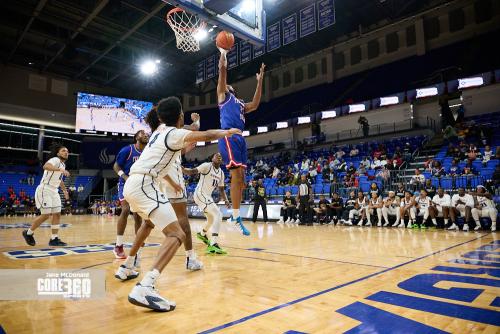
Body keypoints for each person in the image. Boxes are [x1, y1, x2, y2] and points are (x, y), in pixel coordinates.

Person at [114, 96, 241, 311]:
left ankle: (128, 265)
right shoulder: (173, 133)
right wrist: (227, 132)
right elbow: (204, 135)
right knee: (177, 234)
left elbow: (187, 132)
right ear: (180, 115)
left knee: (148, 224)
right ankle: (146, 285)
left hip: (135, 184)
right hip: (145, 185)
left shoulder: (158, 132)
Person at [145, 106, 203, 270]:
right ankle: (191, 258)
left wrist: (186, 148)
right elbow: (194, 129)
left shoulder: (156, 134)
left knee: (148, 222)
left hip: (156, 179)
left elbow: (175, 151)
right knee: (182, 218)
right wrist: (196, 119)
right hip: (172, 176)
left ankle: (132, 259)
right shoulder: (171, 128)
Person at [217, 47, 265, 236]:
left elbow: (256, 104)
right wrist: (223, 53)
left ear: (233, 90)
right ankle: (235, 217)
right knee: (236, 177)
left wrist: (260, 82)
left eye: (228, 86)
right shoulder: (223, 98)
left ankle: (233, 216)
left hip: (240, 139)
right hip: (229, 136)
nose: (225, 86)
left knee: (242, 180)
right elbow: (222, 73)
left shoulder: (240, 104)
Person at [22, 143, 70, 247]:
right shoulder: (55, 160)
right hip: (45, 189)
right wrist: (60, 170)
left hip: (54, 191)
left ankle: (54, 239)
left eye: (67, 151)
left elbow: (59, 180)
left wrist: (65, 191)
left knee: (57, 214)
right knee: (46, 215)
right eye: (63, 151)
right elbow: (45, 166)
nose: (66, 152)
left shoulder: (63, 165)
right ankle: (28, 233)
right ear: (58, 153)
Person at [183, 153, 229, 255]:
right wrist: (182, 169)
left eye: (220, 156)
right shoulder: (207, 166)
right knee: (218, 214)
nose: (219, 157)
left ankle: (202, 233)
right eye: (216, 156)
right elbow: (193, 171)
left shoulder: (221, 173)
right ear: (212, 158)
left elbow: (221, 189)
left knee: (211, 219)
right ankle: (213, 244)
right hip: (200, 194)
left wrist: (226, 200)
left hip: (207, 196)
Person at [112, 130, 149, 259]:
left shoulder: (148, 152)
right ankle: (118, 245)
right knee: (126, 209)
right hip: (125, 183)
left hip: (139, 185)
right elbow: (116, 166)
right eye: (142, 133)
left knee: (138, 216)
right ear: (136, 137)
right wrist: (126, 177)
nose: (146, 135)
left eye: (147, 134)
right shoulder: (127, 150)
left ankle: (137, 246)